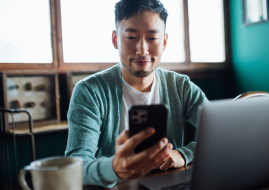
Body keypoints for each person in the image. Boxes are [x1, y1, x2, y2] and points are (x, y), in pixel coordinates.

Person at [65, 0, 208, 188]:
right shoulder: (89, 92)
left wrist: (184, 154)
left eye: (152, 38)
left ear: (164, 42)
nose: (142, 50)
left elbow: (220, 136)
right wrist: (115, 168)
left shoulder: (181, 86)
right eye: (131, 37)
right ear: (115, 40)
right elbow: (77, 167)